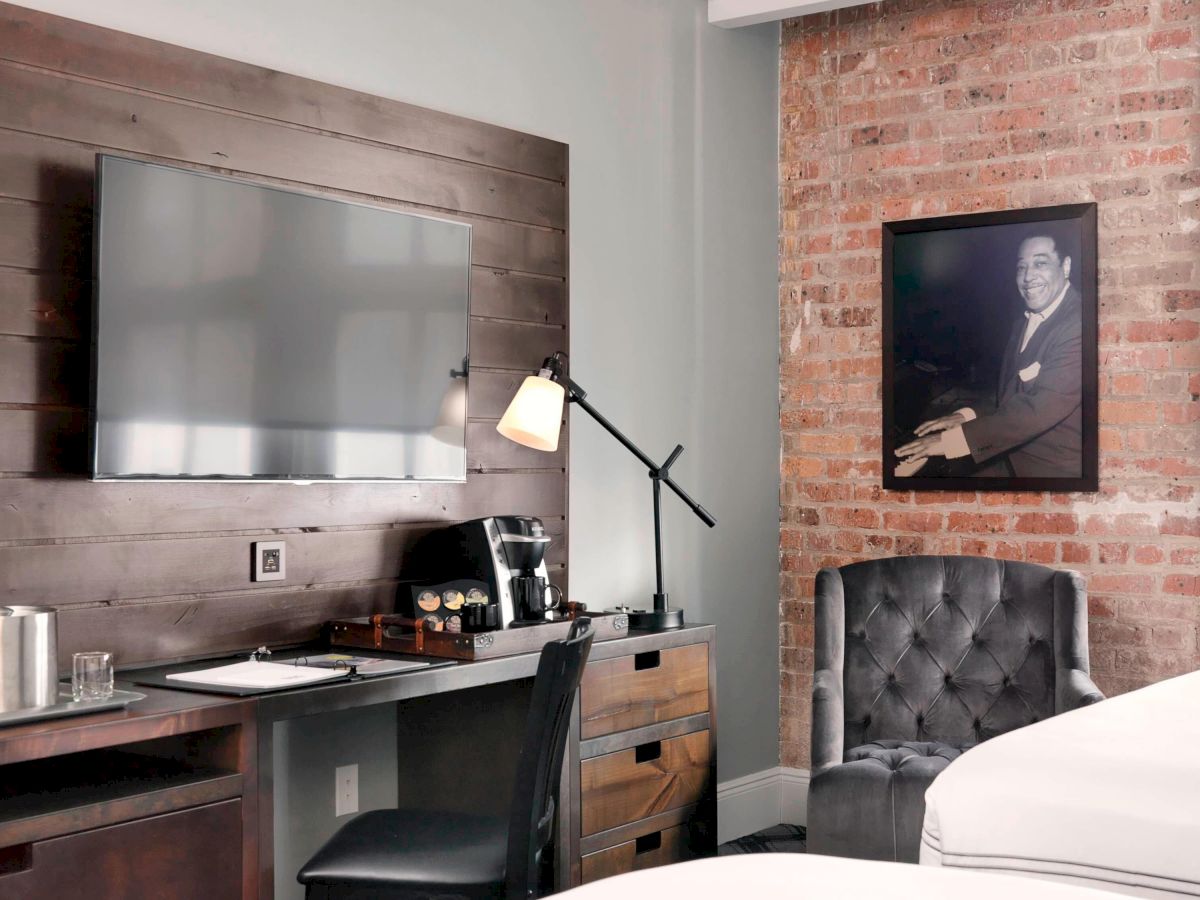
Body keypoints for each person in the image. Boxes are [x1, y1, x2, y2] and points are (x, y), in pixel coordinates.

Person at [896, 232, 1083, 478]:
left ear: (1066, 266)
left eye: (1040, 263)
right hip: (1010, 454)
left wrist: (950, 442)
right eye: (1021, 267)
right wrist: (963, 416)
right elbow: (1010, 391)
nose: (1027, 277)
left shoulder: (1079, 323)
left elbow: (1037, 409)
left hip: (1051, 470)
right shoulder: (1024, 320)